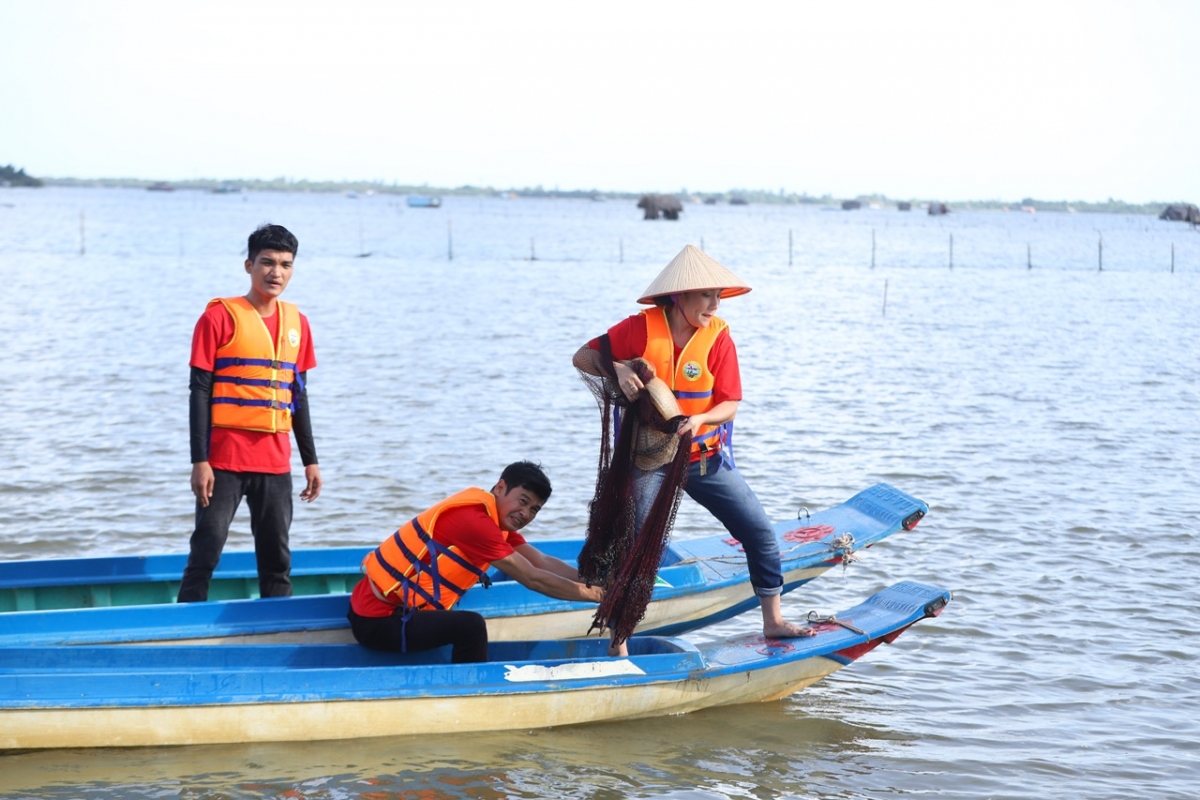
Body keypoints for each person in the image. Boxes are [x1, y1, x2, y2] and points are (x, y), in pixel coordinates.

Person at [574, 244, 813, 651]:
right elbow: (582, 357)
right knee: (635, 548)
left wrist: (701, 419)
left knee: (760, 533)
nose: (715, 304)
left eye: (718, 296)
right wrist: (616, 366)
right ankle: (620, 639)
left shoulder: (718, 338)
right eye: (706, 295)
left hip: (704, 457)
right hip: (650, 459)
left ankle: (773, 621)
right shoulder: (640, 328)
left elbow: (730, 403)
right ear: (680, 295)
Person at [177, 223, 322, 602]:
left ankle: (280, 629)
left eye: (286, 265)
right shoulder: (218, 318)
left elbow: (298, 396)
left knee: (277, 558)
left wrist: (311, 461)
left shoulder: (298, 324)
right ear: (249, 265)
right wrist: (199, 461)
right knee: (207, 547)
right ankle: (186, 624)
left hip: (274, 462)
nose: (276, 273)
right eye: (267, 262)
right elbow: (199, 391)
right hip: (223, 459)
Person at [348, 461, 604, 663]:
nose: (525, 514)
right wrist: (597, 596)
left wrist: (599, 581)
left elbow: (541, 561)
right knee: (470, 626)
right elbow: (532, 578)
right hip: (379, 622)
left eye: (535, 509)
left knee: (464, 620)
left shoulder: (496, 520)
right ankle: (471, 692)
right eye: (523, 501)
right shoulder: (475, 523)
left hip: (377, 607)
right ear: (500, 487)